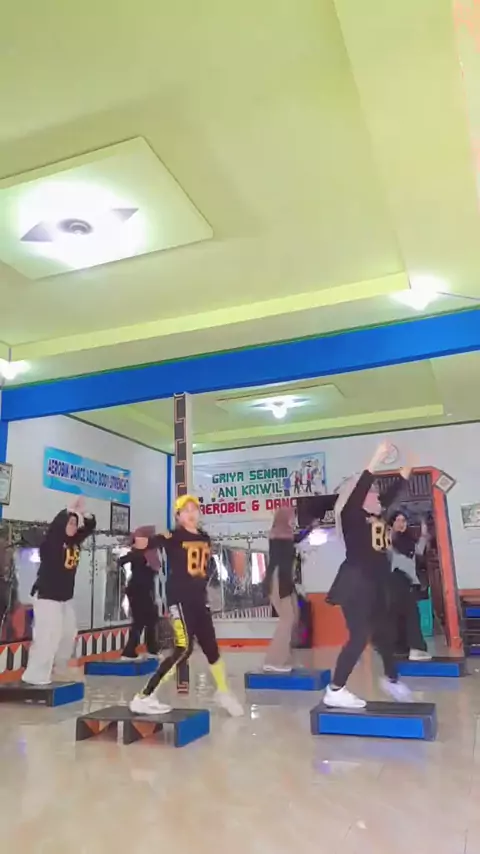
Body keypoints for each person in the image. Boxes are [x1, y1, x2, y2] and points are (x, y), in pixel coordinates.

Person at [129, 495, 243, 717]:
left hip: (200, 600)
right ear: (178, 516)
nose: (191, 513)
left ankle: (223, 691)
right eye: (186, 510)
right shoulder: (174, 536)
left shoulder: (204, 538)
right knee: (184, 648)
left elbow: (204, 569)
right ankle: (144, 697)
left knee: (211, 648)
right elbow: (149, 542)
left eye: (194, 509)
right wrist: (140, 540)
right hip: (180, 600)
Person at [324, 441, 413, 709]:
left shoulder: (379, 516)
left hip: (377, 584)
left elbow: (392, 493)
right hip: (356, 584)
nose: (376, 494)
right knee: (359, 636)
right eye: (372, 492)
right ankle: (335, 689)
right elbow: (362, 485)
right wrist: (376, 457)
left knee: (385, 634)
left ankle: (391, 679)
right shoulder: (352, 515)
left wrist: (406, 470)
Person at [22, 498, 96, 685]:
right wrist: (68, 510)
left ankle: (59, 669)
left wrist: (84, 514)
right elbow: (55, 529)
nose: (73, 527)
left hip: (64, 598)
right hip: (47, 596)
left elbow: (89, 527)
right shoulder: (51, 543)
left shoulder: (74, 542)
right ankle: (35, 675)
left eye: (75, 524)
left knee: (68, 634)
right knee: (48, 636)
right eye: (69, 523)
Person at [263, 507, 311, 673]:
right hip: (278, 579)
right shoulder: (279, 532)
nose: (293, 520)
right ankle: (273, 660)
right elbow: (291, 540)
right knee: (287, 619)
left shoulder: (284, 533)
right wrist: (308, 530)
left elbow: (295, 539)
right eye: (291, 517)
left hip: (285, 579)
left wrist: (310, 529)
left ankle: (285, 657)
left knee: (295, 616)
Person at [389, 512, 431, 661]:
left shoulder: (410, 543)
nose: (401, 523)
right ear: (392, 523)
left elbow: (420, 548)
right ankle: (415, 648)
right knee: (408, 615)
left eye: (404, 521)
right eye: (398, 520)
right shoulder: (389, 542)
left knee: (405, 616)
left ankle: (403, 648)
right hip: (396, 581)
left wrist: (424, 529)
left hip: (409, 583)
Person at [120, 536, 160, 661]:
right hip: (139, 591)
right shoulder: (139, 554)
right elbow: (123, 560)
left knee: (150, 619)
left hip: (142, 591)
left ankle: (151, 649)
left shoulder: (145, 554)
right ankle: (130, 651)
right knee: (141, 620)